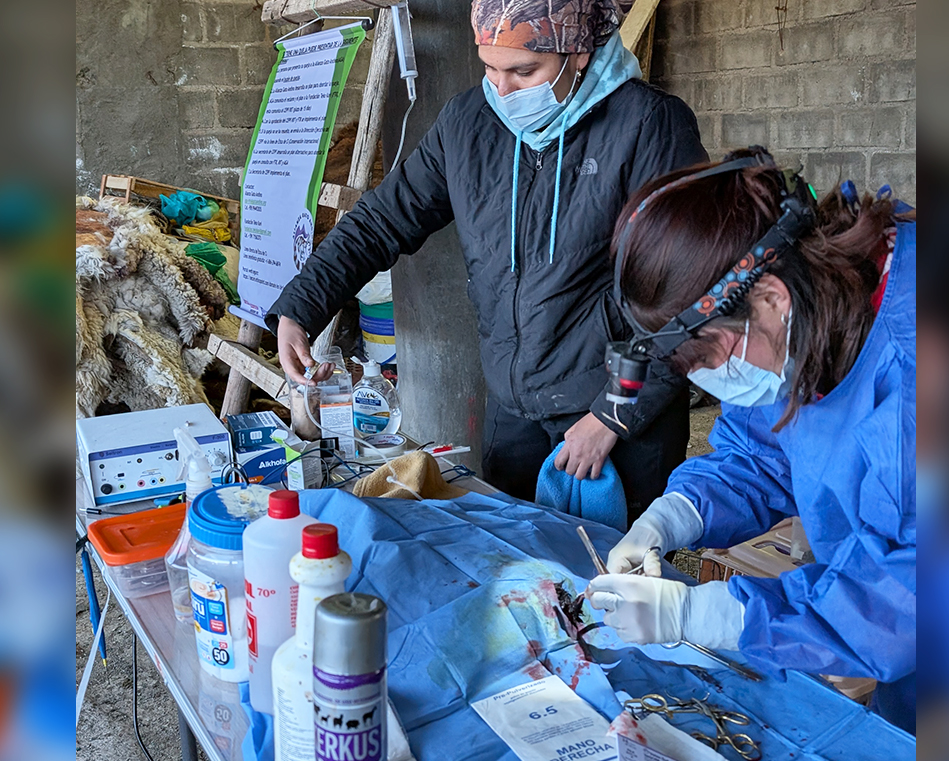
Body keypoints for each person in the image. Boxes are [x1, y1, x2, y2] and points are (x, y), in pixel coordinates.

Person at [265, 0, 707, 523]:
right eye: (488, 67)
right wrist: (301, 307)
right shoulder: (469, 124)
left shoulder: (649, 126)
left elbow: (688, 289)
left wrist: (613, 414)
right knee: (517, 574)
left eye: (524, 71)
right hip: (513, 409)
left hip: (614, 418)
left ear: (579, 52)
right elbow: (382, 220)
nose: (501, 89)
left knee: (613, 580)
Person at [586, 149, 917, 732]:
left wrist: (716, 615)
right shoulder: (808, 316)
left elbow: (908, 596)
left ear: (768, 297)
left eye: (709, 355)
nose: (709, 377)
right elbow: (760, 450)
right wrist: (673, 517)